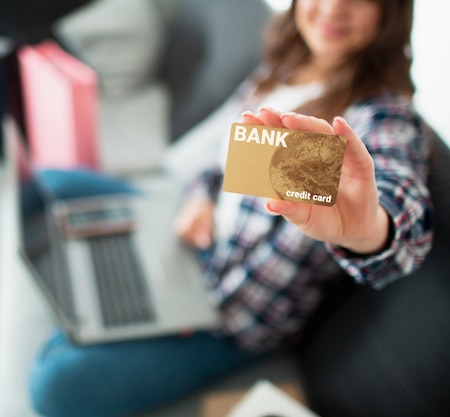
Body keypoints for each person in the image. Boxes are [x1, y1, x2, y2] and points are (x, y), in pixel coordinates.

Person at [28, 0, 438, 416]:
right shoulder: (282, 67)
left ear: (390, 12)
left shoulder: (382, 114)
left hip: (229, 315)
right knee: (51, 181)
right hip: (189, 237)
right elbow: (220, 158)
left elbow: (401, 203)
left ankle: (108, 309)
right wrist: (200, 198)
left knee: (53, 388)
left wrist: (369, 230)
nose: (333, 8)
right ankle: (111, 300)